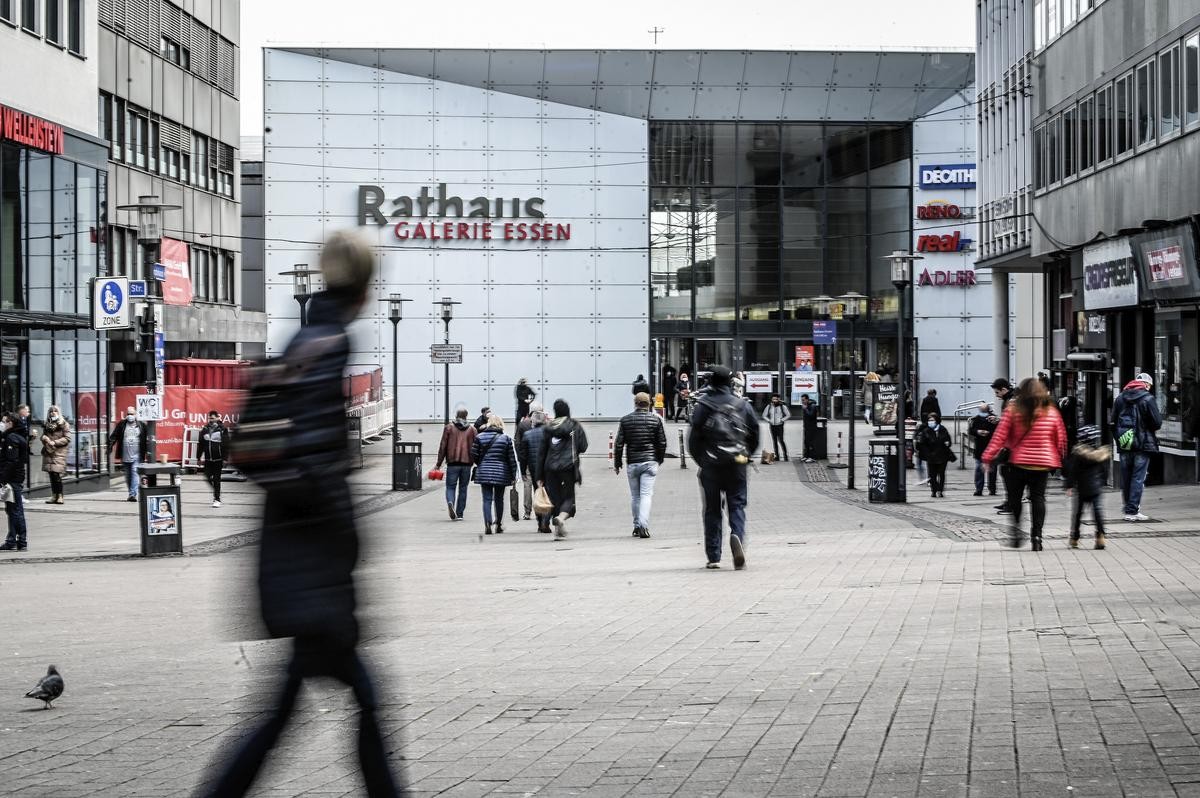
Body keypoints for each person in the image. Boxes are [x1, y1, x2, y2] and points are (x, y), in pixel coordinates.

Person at [202, 231, 399, 796]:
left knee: (284, 713)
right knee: (354, 703)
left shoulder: (302, 339)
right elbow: (316, 468)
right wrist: (349, 547)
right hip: (313, 570)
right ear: (362, 289)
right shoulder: (328, 345)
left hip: (290, 560)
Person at [983, 377, 1067, 552]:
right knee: (1038, 499)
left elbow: (1000, 436)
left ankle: (1016, 534)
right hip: (1042, 464)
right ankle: (1037, 537)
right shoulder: (1051, 411)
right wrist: (1059, 458)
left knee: (1015, 500)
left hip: (1018, 463)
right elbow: (1061, 438)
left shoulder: (1013, 409)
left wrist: (987, 457)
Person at [688, 365, 759, 570]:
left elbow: (693, 440)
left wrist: (703, 460)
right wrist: (745, 456)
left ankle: (714, 556)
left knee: (712, 510)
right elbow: (754, 433)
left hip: (711, 465)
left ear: (710, 382)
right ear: (729, 382)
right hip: (737, 463)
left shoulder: (703, 405)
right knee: (736, 505)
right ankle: (737, 535)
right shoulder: (742, 405)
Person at [614, 392, 667, 538]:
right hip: (650, 462)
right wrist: (659, 459)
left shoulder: (625, 420)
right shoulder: (655, 420)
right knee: (646, 495)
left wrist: (617, 463)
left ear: (635, 403)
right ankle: (643, 525)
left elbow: (619, 444)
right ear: (649, 403)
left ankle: (637, 525)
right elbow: (662, 442)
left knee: (635, 496)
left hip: (633, 462)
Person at [1111, 372, 1162, 522]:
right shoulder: (1148, 398)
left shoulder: (1120, 398)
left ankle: (1128, 508)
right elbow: (1157, 422)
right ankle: (1132, 511)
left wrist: (1120, 439)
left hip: (1125, 444)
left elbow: (1112, 422)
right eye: (1150, 386)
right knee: (1138, 478)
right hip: (1142, 445)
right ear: (1146, 385)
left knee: (1126, 478)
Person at [537, 399, 588, 539]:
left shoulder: (548, 427)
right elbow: (583, 446)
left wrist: (539, 475)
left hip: (550, 469)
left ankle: (558, 530)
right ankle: (561, 518)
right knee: (569, 497)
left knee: (554, 498)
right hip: (568, 467)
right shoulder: (574, 425)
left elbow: (542, 453)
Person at [1063, 424, 1109, 550]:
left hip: (1082, 489)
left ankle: (1074, 538)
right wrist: (1102, 482)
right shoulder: (1100, 455)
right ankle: (1100, 537)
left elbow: (1072, 471)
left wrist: (1069, 485)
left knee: (1077, 514)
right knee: (1098, 513)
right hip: (1096, 489)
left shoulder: (1078, 455)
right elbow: (1105, 472)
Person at [471, 414, 518, 535]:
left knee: (486, 499)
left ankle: (487, 522)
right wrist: (514, 475)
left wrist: (481, 463)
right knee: (499, 499)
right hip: (501, 472)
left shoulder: (479, 437)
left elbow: (474, 455)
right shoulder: (506, 439)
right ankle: (498, 524)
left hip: (484, 472)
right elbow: (511, 459)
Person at [435, 406, 477, 522]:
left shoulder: (449, 428)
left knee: (450, 486)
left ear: (456, 416)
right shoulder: (472, 430)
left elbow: (443, 446)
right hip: (467, 464)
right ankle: (459, 514)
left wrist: (438, 463)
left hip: (452, 463)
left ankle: (450, 502)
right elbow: (476, 448)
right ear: (466, 416)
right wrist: (477, 461)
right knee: (463, 488)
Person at [0, 413, 29, 552]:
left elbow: (11, 461)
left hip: (12, 479)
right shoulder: (16, 436)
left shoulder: (12, 438)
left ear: (11, 423)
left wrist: (2, 479)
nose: (2, 424)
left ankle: (21, 540)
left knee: (15, 510)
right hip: (14, 478)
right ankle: (12, 539)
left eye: (4, 421)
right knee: (12, 510)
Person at [108, 407, 147, 502]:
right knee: (128, 475)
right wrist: (110, 445)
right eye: (128, 414)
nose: (130, 416)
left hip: (137, 454)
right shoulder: (122, 424)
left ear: (136, 415)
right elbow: (114, 436)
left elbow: (147, 438)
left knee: (134, 472)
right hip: (125, 454)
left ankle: (133, 494)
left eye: (132, 414)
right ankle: (131, 492)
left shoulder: (141, 425)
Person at [520, 407, 550, 533]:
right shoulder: (549, 433)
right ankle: (546, 521)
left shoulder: (527, 435)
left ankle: (539, 522)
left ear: (533, 422)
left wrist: (522, 470)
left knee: (537, 493)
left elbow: (523, 456)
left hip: (534, 469)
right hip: (548, 468)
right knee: (548, 494)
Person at [512, 402, 544, 521]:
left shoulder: (523, 424)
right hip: (542, 462)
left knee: (527, 485)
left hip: (528, 461)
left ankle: (527, 511)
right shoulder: (545, 425)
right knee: (540, 486)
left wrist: (521, 459)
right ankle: (540, 512)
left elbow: (517, 442)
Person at [991, 378, 1016, 514]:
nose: (996, 395)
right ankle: (1009, 502)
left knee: (1008, 474)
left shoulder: (1012, 401)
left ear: (1004, 389)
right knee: (1005, 472)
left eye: (997, 392)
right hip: (1010, 443)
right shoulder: (1010, 400)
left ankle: (1011, 504)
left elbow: (1013, 422)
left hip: (1012, 445)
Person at [916, 411, 954, 498]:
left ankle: (940, 490)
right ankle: (934, 490)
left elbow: (948, 440)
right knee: (932, 475)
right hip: (931, 456)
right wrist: (927, 453)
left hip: (942, 456)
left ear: (937, 421)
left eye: (932, 420)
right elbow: (922, 444)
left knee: (941, 474)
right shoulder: (926, 431)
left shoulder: (943, 429)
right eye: (929, 420)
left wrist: (948, 443)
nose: (930, 422)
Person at [198, 410, 229, 508]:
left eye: (212, 418)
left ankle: (217, 499)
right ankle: (216, 491)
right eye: (209, 418)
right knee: (207, 477)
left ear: (217, 418)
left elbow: (226, 445)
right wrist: (198, 457)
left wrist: (225, 458)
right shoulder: (205, 429)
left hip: (218, 459)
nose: (211, 420)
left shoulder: (223, 429)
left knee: (216, 479)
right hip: (208, 459)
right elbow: (201, 444)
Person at [40, 405, 70, 505]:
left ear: (59, 413)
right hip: (49, 451)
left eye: (55, 411)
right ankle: (54, 495)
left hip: (59, 452)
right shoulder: (47, 424)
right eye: (51, 411)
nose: (53, 413)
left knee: (56, 474)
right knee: (51, 474)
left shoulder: (64, 424)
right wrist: (44, 438)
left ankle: (60, 496)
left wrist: (55, 442)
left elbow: (67, 438)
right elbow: (43, 436)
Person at [969, 402, 999, 497]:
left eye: (984, 410)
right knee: (979, 469)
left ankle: (992, 488)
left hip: (991, 447)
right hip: (980, 448)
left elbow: (998, 431)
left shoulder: (993, 419)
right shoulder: (976, 419)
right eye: (981, 410)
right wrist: (978, 432)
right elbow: (971, 431)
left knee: (992, 470)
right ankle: (979, 489)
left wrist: (988, 433)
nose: (983, 412)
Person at [761, 394, 791, 462]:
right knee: (774, 441)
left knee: (781, 440)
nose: (774, 400)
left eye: (776, 399)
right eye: (773, 399)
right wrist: (769, 421)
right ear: (771, 399)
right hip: (772, 426)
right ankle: (777, 456)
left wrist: (782, 420)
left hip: (780, 425)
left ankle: (785, 456)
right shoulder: (769, 406)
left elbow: (788, 415)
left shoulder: (782, 406)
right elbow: (764, 415)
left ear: (778, 399)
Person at [799, 394, 819, 462]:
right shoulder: (807, 405)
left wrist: (805, 409)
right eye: (802, 400)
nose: (802, 401)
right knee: (806, 442)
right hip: (807, 426)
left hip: (811, 427)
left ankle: (812, 457)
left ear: (807, 399)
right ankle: (806, 456)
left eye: (803, 400)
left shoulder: (812, 406)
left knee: (811, 442)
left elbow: (811, 415)